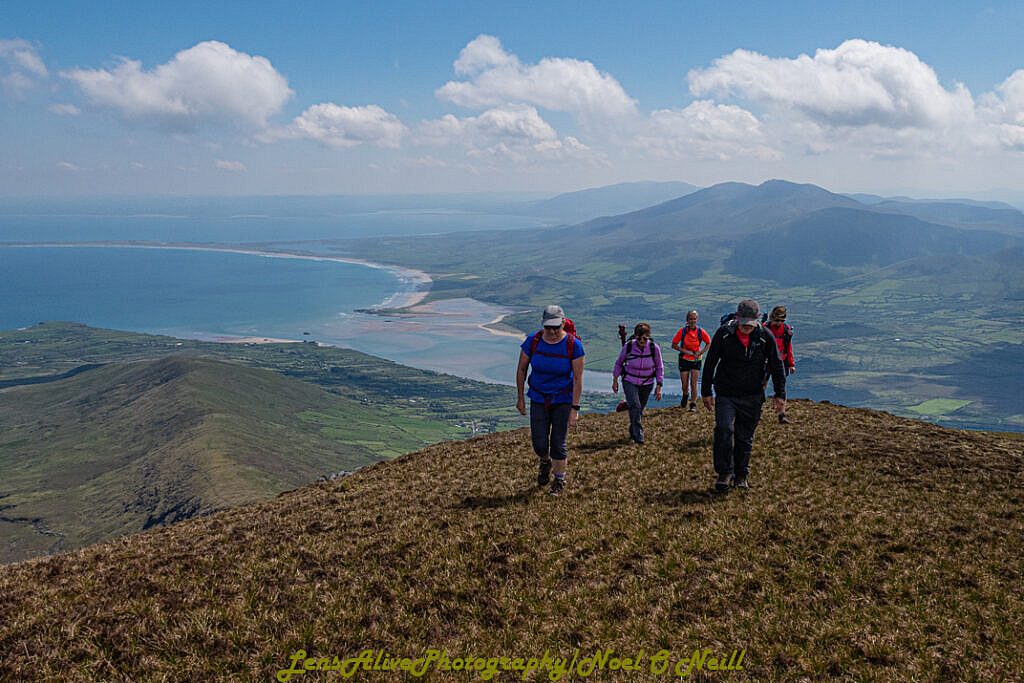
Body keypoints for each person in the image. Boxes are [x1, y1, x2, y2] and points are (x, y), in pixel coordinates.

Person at [701, 299, 786, 492]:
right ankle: (724, 472)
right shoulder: (724, 334)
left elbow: (776, 364)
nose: (747, 326)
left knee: (744, 436)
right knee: (724, 429)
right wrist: (706, 391)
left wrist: (780, 395)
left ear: (757, 319)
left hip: (752, 395)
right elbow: (711, 361)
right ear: (737, 317)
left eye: (751, 322)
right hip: (726, 393)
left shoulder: (765, 336)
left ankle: (741, 475)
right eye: (744, 322)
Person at [516, 305, 585, 495]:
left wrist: (575, 408)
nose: (553, 331)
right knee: (539, 443)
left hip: (563, 399)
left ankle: (559, 480)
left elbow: (578, 379)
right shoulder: (533, 341)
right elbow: (521, 370)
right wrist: (520, 398)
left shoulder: (573, 345)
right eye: (548, 327)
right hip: (538, 397)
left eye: (556, 327)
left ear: (563, 323)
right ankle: (544, 461)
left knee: (558, 442)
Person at [612, 322, 664, 444]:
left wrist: (659, 385)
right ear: (635, 336)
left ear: (648, 337)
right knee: (635, 405)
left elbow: (659, 366)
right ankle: (638, 436)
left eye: (645, 338)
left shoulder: (654, 348)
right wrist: (615, 380)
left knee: (639, 408)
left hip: (647, 382)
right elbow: (619, 362)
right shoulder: (629, 346)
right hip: (630, 380)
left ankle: (633, 429)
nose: (642, 341)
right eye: (639, 338)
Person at [671, 310, 711, 412]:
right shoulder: (683, 331)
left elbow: (708, 342)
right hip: (684, 359)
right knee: (684, 385)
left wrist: (701, 352)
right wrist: (686, 351)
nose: (692, 321)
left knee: (694, 383)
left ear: (697, 320)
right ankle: (685, 395)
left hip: (696, 360)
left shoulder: (700, 331)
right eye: (690, 319)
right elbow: (674, 345)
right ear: (687, 320)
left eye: (694, 319)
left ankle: (693, 403)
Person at [765, 305, 796, 424]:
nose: (779, 323)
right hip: (766, 361)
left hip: (781, 361)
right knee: (761, 384)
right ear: (772, 318)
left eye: (782, 321)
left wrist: (791, 364)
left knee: (781, 388)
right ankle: (756, 409)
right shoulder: (765, 328)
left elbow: (788, 348)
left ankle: (782, 414)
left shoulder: (786, 331)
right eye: (777, 320)